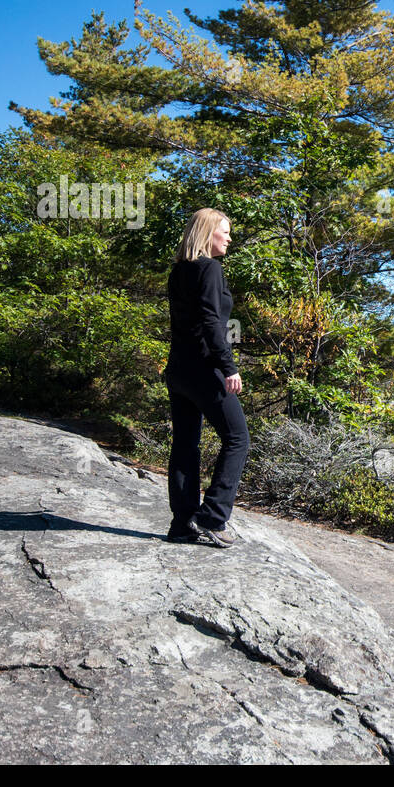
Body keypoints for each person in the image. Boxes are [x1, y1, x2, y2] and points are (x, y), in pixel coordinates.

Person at [162, 208, 249, 548]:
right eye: (223, 232)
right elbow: (214, 324)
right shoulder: (210, 268)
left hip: (178, 371)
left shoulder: (178, 271)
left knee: (185, 445)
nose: (229, 238)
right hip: (203, 369)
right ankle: (212, 518)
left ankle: (182, 524)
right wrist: (229, 366)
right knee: (237, 438)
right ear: (207, 233)